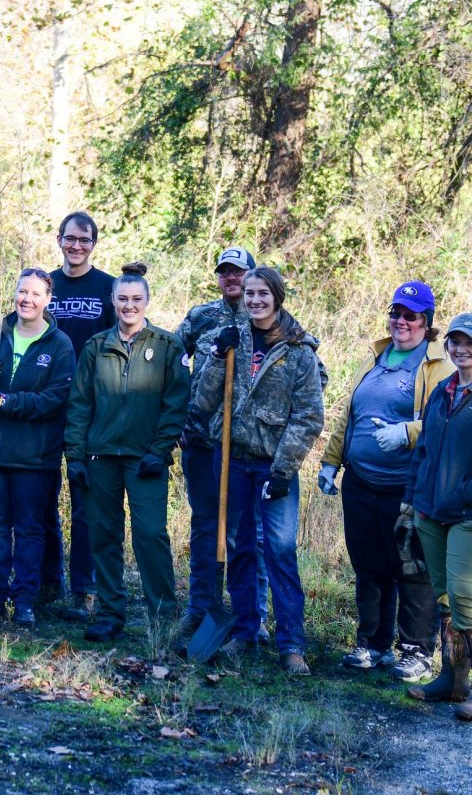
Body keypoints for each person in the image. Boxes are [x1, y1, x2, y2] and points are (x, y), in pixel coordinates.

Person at [192, 266, 323, 675]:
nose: (255, 301)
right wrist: (216, 357)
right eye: (249, 294)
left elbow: (308, 417)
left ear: (277, 296)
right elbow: (204, 401)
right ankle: (245, 631)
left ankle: (291, 644)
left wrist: (284, 471)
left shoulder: (299, 350)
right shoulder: (229, 340)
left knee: (280, 552)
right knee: (240, 548)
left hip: (273, 465)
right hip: (231, 458)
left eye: (263, 293)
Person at [319, 282, 451, 681]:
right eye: (396, 313)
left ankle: (416, 651)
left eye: (411, 316)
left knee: (410, 566)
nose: (401, 322)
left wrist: (405, 433)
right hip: (361, 482)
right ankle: (372, 644)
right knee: (368, 563)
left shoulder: (437, 366)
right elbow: (351, 414)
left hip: (407, 484)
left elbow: (444, 423)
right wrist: (330, 461)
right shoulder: (375, 357)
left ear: (426, 323)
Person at [65, 262, 190, 642]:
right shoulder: (96, 347)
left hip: (144, 460)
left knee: (151, 534)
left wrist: (159, 450)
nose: (129, 306)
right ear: (113, 301)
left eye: (136, 299)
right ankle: (108, 612)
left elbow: (175, 404)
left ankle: (162, 617)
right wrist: (75, 455)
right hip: (99, 457)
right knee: (103, 534)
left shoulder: (168, 346)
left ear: (147, 301)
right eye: (122, 299)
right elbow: (80, 403)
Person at [0, 268, 74, 627]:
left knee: (29, 529)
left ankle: (24, 598)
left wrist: (9, 401)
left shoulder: (59, 345)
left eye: (36, 294)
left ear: (48, 300)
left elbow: (55, 399)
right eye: (23, 291)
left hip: (35, 456)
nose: (28, 299)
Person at [172, 247, 271, 649]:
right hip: (201, 440)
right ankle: (201, 607)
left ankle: (254, 615)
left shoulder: (267, 316)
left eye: (239, 272)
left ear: (252, 276)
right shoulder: (200, 317)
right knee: (205, 526)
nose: (232, 278)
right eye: (225, 272)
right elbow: (171, 363)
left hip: (246, 447)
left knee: (251, 532)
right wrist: (178, 417)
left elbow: (310, 371)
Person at [402, 312, 472, 718]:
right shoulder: (442, 390)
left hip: (465, 512)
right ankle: (452, 679)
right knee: (444, 594)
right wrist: (411, 500)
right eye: (455, 342)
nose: (461, 349)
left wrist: (463, 493)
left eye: (468, 342)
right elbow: (424, 451)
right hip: (429, 510)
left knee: (466, 597)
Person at [45, 211, 115, 617]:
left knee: (86, 501)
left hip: (91, 410)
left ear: (94, 244)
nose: (76, 246)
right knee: (42, 496)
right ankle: (48, 581)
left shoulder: (107, 288)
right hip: (47, 406)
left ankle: (85, 591)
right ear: (59, 239)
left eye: (84, 240)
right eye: (69, 239)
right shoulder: (46, 286)